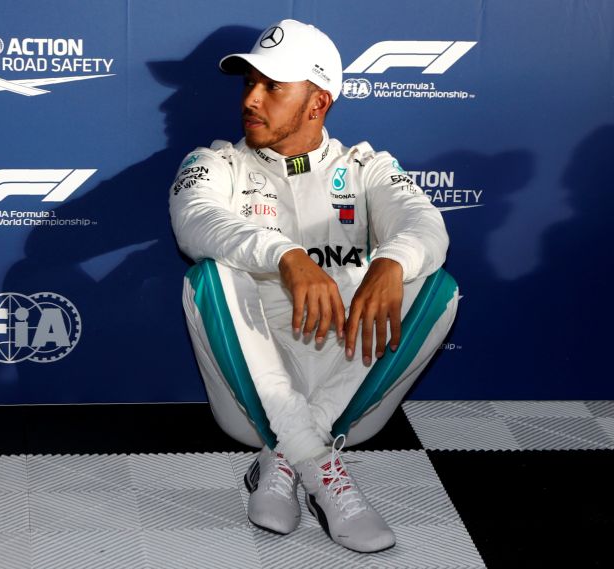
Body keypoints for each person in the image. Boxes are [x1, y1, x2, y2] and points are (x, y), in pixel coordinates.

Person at [169, 20, 458, 553]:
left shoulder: (367, 168)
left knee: (433, 283)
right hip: (252, 391)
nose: (251, 100)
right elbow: (194, 220)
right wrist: (286, 255)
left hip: (345, 382)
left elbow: (425, 223)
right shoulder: (216, 163)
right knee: (212, 275)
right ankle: (322, 467)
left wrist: (391, 262)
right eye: (249, 83)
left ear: (318, 102)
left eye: (273, 87)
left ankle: (288, 454)